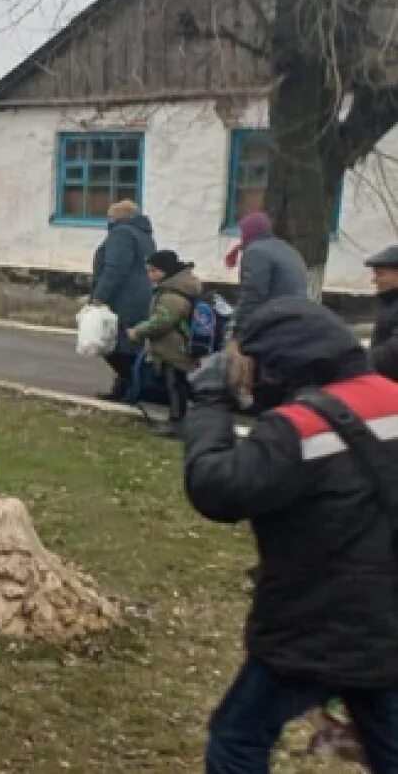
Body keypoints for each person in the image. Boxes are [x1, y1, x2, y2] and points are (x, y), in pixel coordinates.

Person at [182, 298, 398, 770]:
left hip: (317, 623)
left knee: (238, 736)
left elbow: (216, 489)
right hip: (388, 623)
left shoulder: (299, 428)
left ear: (278, 362)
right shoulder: (391, 396)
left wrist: (209, 401)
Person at [127, 250, 203, 429]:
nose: (150, 275)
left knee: (176, 385)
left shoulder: (172, 295)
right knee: (175, 384)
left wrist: (138, 331)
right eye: (148, 271)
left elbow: (162, 321)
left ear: (166, 270)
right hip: (174, 347)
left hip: (175, 348)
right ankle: (177, 418)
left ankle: (177, 421)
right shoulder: (175, 290)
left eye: (154, 271)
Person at [89, 199, 157, 400]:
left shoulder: (122, 234)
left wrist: (99, 295)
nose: (108, 222)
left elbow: (115, 268)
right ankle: (125, 388)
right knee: (127, 345)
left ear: (119, 218)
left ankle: (133, 388)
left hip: (123, 298)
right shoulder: (144, 235)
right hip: (141, 296)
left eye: (110, 217)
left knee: (111, 345)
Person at [227, 211, 310, 331]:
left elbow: (253, 296)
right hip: (296, 318)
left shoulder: (256, 252)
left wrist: (238, 331)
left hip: (276, 321)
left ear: (249, 232)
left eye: (243, 231)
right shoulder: (285, 248)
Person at [368, 244, 398, 380]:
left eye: (380, 274)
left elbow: (393, 352)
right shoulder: (388, 302)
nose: (374, 280)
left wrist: (360, 361)